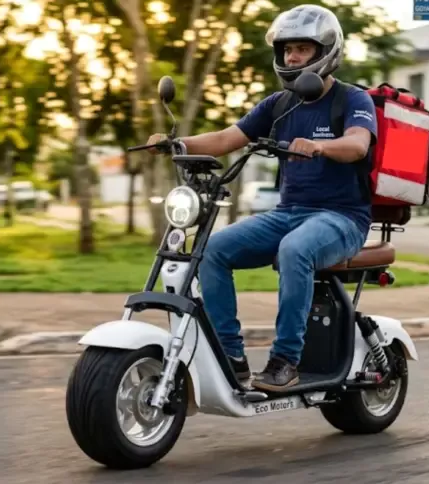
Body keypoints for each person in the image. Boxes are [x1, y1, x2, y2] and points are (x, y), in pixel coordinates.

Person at [144, 4, 378, 391]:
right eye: (287, 49)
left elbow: (357, 145)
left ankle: (285, 361)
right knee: (213, 249)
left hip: (342, 217)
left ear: (326, 52)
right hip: (288, 213)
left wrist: (321, 147)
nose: (292, 56)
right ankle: (231, 357)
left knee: (294, 249)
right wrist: (175, 143)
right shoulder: (279, 105)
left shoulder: (352, 100)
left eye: (302, 48)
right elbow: (225, 139)